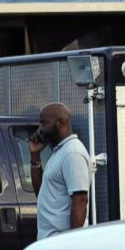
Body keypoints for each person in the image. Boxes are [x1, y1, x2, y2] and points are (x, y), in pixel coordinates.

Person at [29, 102, 90, 240]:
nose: (40, 129)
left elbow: (80, 200)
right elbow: (41, 193)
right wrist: (35, 155)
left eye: (44, 123)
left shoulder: (72, 153)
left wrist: (71, 245)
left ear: (60, 123)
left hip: (62, 243)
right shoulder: (59, 152)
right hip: (50, 242)